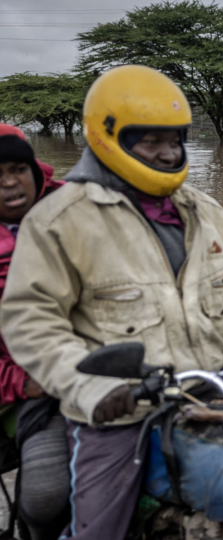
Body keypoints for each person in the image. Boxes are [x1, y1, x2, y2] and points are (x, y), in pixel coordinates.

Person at [0, 65, 223, 540]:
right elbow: (31, 324)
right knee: (98, 531)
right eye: (149, 140)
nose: (167, 152)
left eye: (174, 139)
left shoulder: (203, 210)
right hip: (119, 417)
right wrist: (93, 390)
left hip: (211, 393)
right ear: (108, 138)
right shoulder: (61, 220)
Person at [0, 125, 70, 540]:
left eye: (16, 168)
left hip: (78, 372)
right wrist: (24, 383)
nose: (9, 182)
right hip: (22, 390)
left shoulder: (72, 208)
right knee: (46, 494)